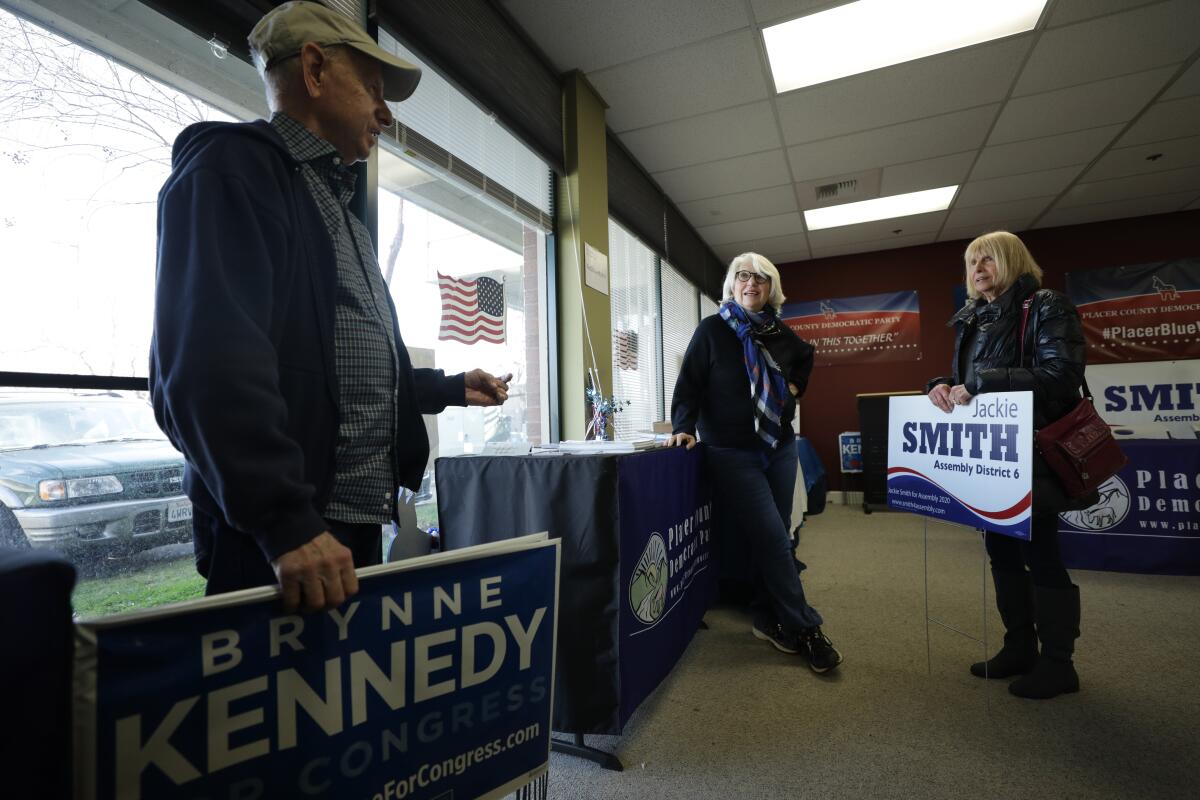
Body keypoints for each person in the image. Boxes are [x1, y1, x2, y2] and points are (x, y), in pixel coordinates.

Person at [150, 1, 510, 613]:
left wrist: (449, 387)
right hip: (288, 537)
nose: (386, 114)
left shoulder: (342, 213)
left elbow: (334, 370)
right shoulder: (232, 170)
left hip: (348, 525)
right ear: (314, 71)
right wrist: (285, 521)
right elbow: (206, 363)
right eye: (372, 88)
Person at [927, 230, 1095, 699]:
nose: (978, 269)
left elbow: (1062, 375)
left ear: (1013, 261)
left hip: (1033, 453)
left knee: (1041, 554)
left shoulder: (1046, 305)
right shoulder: (972, 317)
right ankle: (1019, 646)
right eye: (972, 262)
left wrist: (982, 383)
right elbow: (968, 380)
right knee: (1000, 553)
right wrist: (940, 385)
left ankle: (1059, 664)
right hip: (989, 456)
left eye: (988, 260)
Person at [668, 252, 842, 674]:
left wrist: (796, 387)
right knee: (772, 539)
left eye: (762, 278)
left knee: (777, 534)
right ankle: (805, 627)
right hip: (731, 451)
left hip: (779, 446)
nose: (752, 283)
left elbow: (805, 357)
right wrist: (684, 425)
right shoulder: (712, 330)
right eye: (743, 276)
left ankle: (768, 617)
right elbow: (689, 384)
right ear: (732, 284)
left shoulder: (779, 332)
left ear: (771, 289)